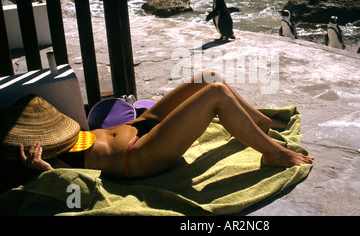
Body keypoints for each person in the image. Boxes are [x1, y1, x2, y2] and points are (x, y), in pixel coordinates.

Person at [19, 70, 314, 179]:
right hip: (139, 153)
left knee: (208, 78)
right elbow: (76, 191)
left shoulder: (61, 132)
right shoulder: (48, 159)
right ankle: (273, 153)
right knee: (217, 95)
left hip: (140, 125)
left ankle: (260, 123)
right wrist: (46, 170)